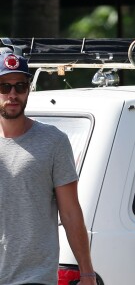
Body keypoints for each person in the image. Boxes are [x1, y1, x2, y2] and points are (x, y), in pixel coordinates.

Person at [0, 52, 97, 285]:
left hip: (35, 277)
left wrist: (87, 273)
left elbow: (71, 212)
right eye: (4, 86)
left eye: (20, 86)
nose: (13, 94)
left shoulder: (54, 141)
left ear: (28, 90)